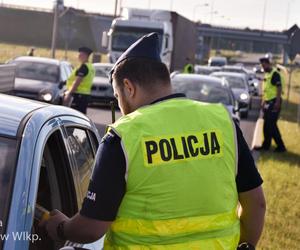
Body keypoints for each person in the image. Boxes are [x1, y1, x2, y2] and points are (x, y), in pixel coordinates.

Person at [41, 33, 265, 249]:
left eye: (118, 97)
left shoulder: (123, 137)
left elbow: (92, 228)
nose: (120, 106)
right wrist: (246, 246)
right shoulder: (222, 122)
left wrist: (61, 227)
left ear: (129, 87)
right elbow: (256, 203)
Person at [254, 56, 286, 152]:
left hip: (274, 102)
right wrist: (264, 101)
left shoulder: (274, 74)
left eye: (264, 65)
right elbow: (267, 90)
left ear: (268, 64)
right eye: (262, 66)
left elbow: (279, 88)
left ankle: (281, 147)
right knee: (267, 125)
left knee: (271, 125)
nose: (263, 67)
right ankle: (266, 145)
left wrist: (277, 102)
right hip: (268, 102)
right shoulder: (267, 74)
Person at [63, 47, 95, 114]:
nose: (78, 56)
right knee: (81, 114)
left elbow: (77, 82)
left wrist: (69, 93)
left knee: (74, 115)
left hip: (78, 95)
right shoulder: (91, 66)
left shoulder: (84, 67)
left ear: (85, 56)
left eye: (80, 55)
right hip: (85, 95)